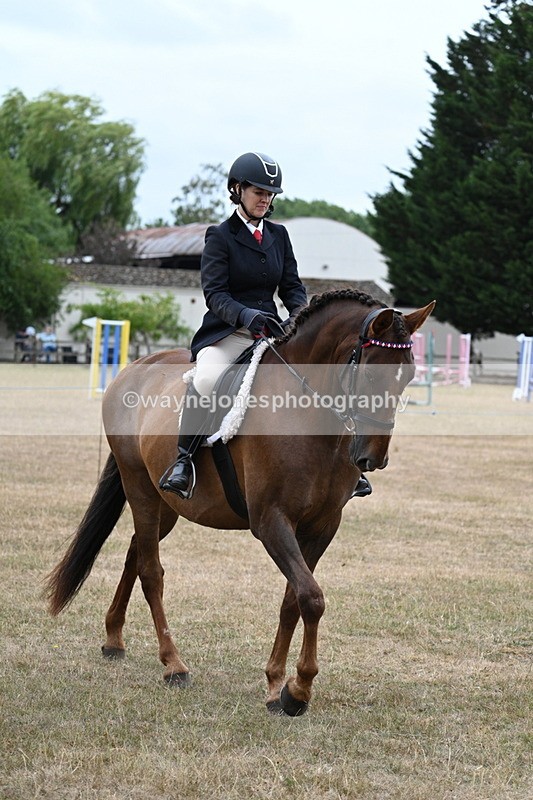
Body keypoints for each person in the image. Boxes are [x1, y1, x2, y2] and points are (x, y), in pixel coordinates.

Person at [159, 151, 371, 501]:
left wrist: (301, 319)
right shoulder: (220, 236)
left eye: (270, 193)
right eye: (258, 191)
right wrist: (247, 316)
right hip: (230, 332)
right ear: (237, 189)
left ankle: (347, 466)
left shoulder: (280, 235)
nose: (265, 199)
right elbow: (215, 294)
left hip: (275, 331)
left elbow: (291, 287)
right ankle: (184, 461)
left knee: (324, 378)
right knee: (207, 377)